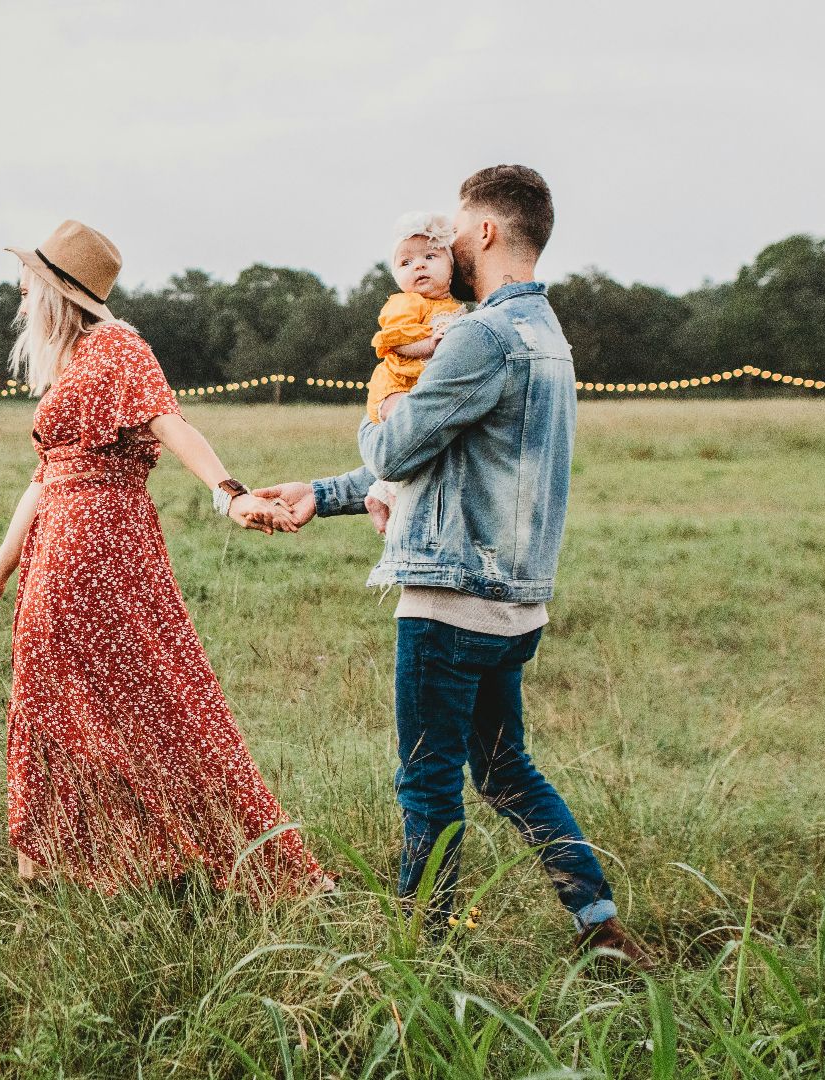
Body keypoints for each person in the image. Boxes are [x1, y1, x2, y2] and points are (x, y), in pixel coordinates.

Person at [256, 166, 652, 966]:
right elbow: (452, 460)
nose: (448, 243)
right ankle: (598, 922)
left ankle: (419, 949)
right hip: (516, 604)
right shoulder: (548, 337)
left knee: (426, 780)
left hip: (450, 600)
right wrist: (325, 494)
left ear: (489, 233)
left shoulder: (479, 335)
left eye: (459, 228)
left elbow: (400, 446)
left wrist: (383, 416)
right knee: (506, 770)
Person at [0, 219, 327, 895]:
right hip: (56, 547)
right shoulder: (68, 363)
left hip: (101, 544)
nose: (18, 292)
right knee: (51, 702)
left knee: (153, 698)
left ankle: (210, 857)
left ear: (54, 290)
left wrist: (229, 494)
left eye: (27, 281)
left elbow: (170, 421)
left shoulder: (118, 346)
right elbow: (42, 481)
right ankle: (65, 863)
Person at [364, 212, 466, 533]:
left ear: (451, 268)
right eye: (405, 263)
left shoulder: (454, 308)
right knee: (408, 431)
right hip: (395, 387)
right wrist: (429, 344)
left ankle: (382, 493)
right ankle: (385, 494)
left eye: (430, 257)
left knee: (423, 440)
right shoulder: (406, 303)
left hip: (419, 388)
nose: (418, 266)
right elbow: (395, 341)